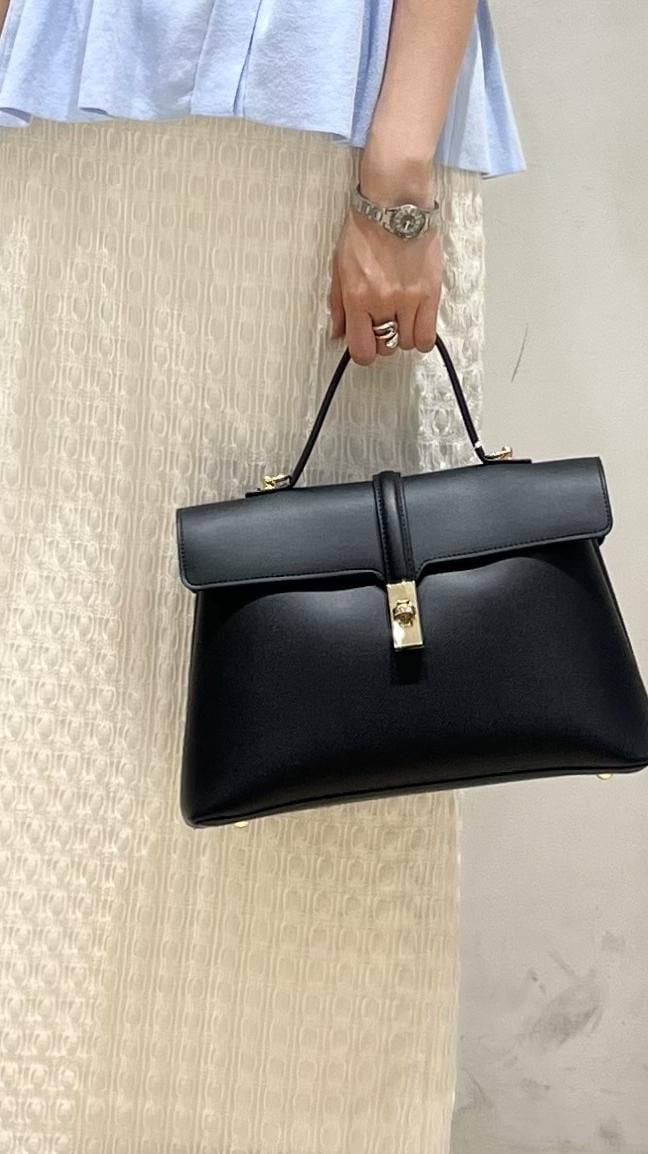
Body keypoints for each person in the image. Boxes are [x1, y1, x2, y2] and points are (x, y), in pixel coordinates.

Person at [0, 2, 524, 1151]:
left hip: (321, 150)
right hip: (65, 126)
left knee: (321, 730)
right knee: (54, 710)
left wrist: (395, 185)